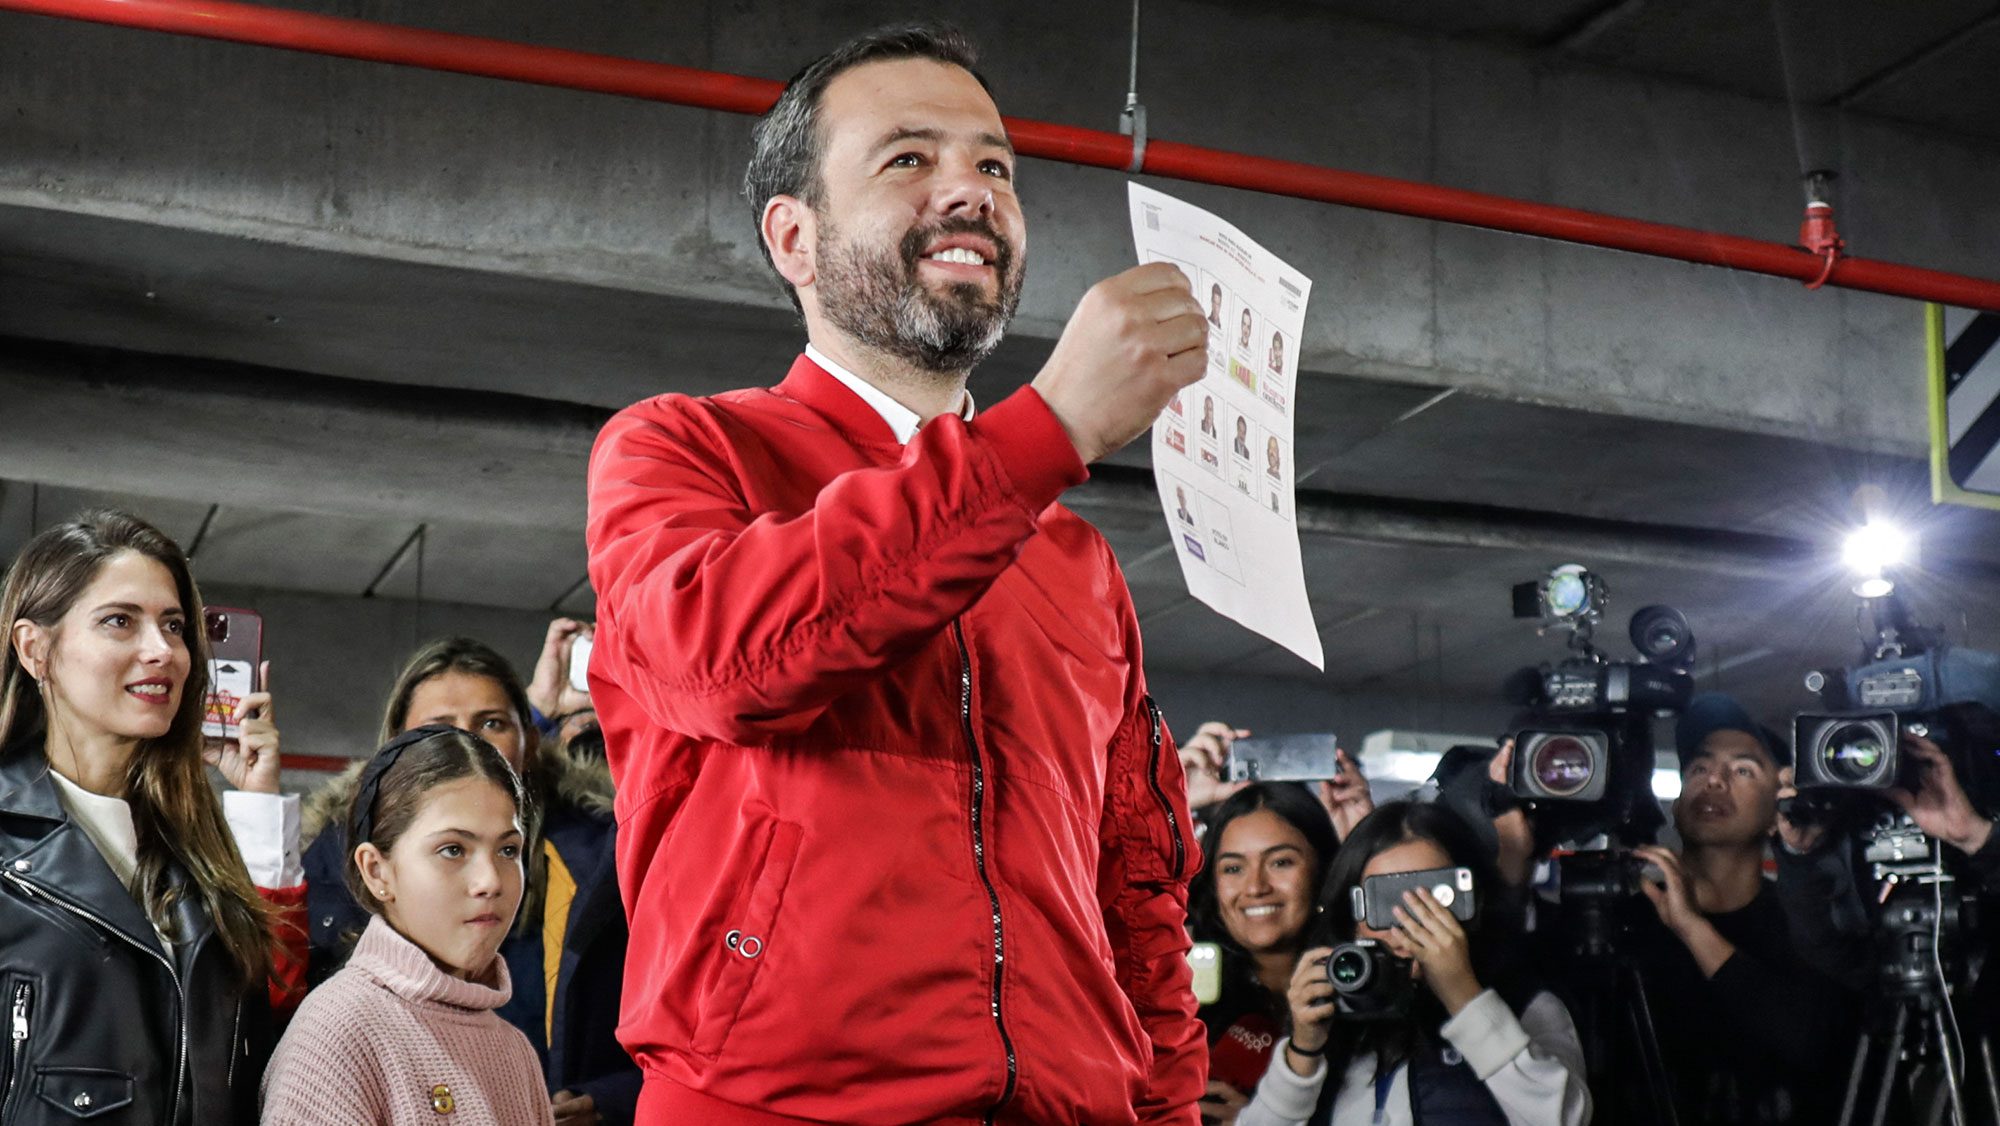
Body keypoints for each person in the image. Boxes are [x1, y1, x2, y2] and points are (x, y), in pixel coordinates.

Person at [585, 23, 1209, 1125]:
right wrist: (1044, 432)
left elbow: (1133, 880)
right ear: (794, 237)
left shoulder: (1070, 556)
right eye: (907, 159)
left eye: (993, 166)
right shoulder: (681, 450)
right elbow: (724, 663)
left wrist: (1159, 1107)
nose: (968, 191)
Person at [0, 509, 308, 1124]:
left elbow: (277, 1011)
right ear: (36, 648)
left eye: (173, 625)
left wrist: (254, 806)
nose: (161, 650)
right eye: (120, 621)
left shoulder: (192, 848)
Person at [301, 636, 637, 1125]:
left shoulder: (606, 852)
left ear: (530, 738)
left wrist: (613, 1098)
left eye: (492, 723)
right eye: (451, 851)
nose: (469, 743)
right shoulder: (341, 861)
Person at [261, 726, 555, 1125]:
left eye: (508, 849)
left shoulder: (514, 1051)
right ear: (377, 871)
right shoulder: (338, 1033)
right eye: (452, 849)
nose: (490, 881)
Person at [1241, 802, 1590, 1126]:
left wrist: (1464, 997)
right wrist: (1303, 1051)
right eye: (1384, 903)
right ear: (1352, 916)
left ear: (1474, 903)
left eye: (1434, 901)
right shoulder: (1336, 1018)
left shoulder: (1526, 1005)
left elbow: (1567, 1118)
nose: (1406, 927)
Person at [1622, 692, 1858, 1125]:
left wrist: (1693, 931)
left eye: (1743, 770)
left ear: (1777, 811)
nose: (1714, 781)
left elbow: (1809, 1041)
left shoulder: (1806, 924)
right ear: (1676, 805)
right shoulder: (1624, 920)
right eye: (1699, 768)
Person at [1189, 784, 1340, 1126]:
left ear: (1323, 872)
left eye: (1280, 862)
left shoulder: (1363, 991)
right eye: (1233, 868)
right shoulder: (1182, 998)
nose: (1256, 887)